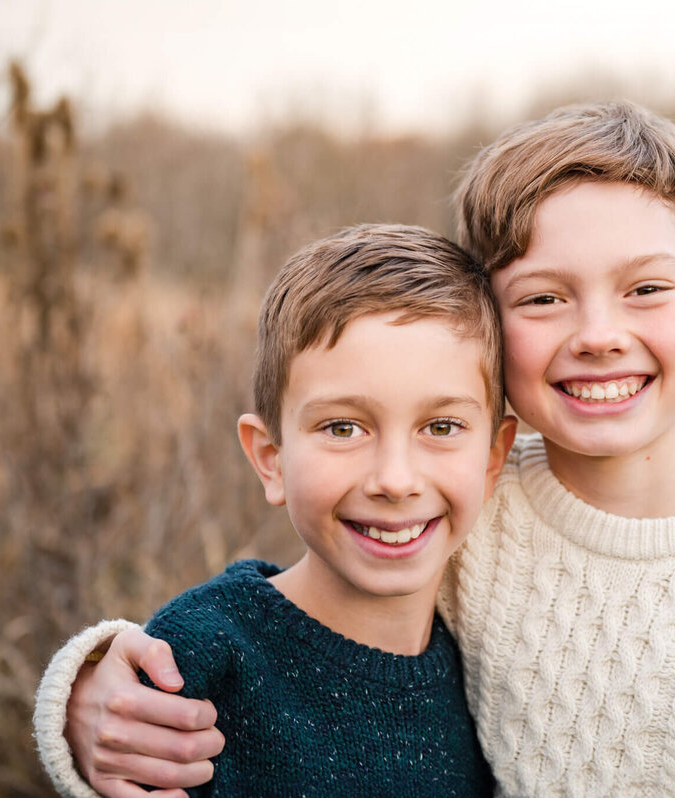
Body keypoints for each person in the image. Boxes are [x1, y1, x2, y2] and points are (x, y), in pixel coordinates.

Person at [35, 101, 675, 797]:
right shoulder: (466, 509)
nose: (597, 334)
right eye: (544, 299)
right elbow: (298, 624)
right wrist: (85, 690)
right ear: (491, 336)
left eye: (646, 289)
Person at [33, 223, 516, 796]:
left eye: (441, 427)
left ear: (493, 458)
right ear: (270, 459)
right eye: (343, 427)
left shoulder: (490, 668)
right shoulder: (201, 656)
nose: (395, 479)